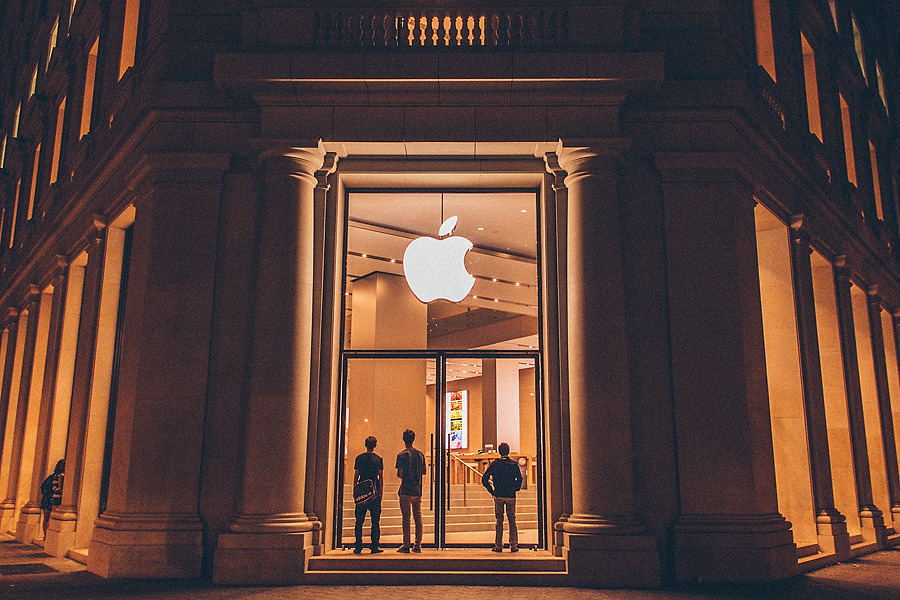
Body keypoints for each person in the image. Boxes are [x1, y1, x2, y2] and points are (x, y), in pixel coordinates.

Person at [481, 442, 522, 552]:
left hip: (499, 494)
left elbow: (484, 479)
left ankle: (498, 545)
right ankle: (514, 545)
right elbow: (520, 478)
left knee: (499, 521)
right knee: (512, 520)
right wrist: (516, 488)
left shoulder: (495, 464)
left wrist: (492, 491)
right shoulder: (514, 464)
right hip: (511, 495)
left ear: (499, 452)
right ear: (508, 451)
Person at [395, 429, 425, 553]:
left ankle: (406, 544)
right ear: (414, 439)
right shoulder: (420, 455)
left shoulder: (401, 455)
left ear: (404, 439)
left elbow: (399, 473)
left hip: (406, 490)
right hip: (417, 490)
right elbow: (424, 471)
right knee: (417, 517)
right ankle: (418, 544)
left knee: (406, 518)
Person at [353, 436, 384, 554]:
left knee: (359, 520)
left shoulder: (359, 458)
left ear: (365, 445)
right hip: (374, 492)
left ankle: (358, 546)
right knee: (375, 521)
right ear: (375, 445)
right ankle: (374, 546)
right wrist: (381, 491)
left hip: (362, 491)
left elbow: (356, 475)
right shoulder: (378, 459)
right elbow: (380, 477)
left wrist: (354, 489)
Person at [40, 459, 64, 538]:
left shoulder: (52, 476)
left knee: (46, 518)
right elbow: (60, 488)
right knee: (53, 518)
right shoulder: (61, 476)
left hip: (48, 499)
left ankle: (45, 536)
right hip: (56, 498)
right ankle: (50, 537)